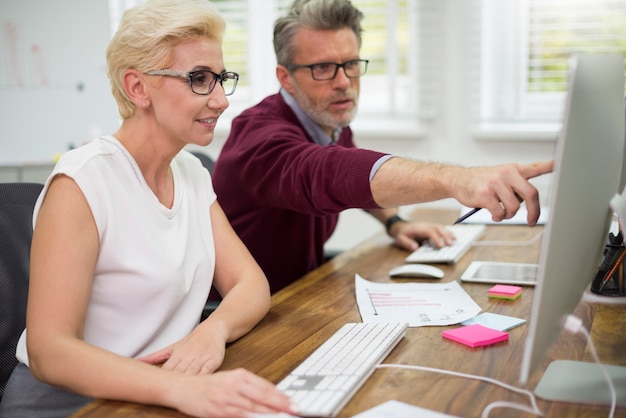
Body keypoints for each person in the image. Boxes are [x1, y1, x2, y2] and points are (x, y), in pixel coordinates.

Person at [0, 1, 297, 417]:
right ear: (138, 88)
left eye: (220, 79)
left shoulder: (190, 173)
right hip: (72, 404)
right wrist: (175, 387)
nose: (220, 100)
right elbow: (50, 352)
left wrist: (212, 331)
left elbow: (250, 284)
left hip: (156, 394)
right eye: (198, 79)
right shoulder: (82, 183)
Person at [212, 0, 553, 294]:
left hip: (301, 291)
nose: (344, 82)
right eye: (323, 68)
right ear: (285, 77)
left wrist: (395, 223)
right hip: (247, 318)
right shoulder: (257, 139)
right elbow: (329, 173)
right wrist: (457, 179)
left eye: (350, 64)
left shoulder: (328, 117)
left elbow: (350, 179)